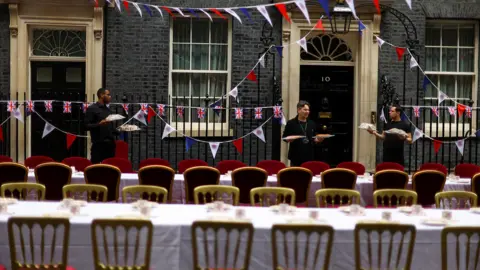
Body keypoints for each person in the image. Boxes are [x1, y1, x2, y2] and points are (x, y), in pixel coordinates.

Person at [282, 101, 323, 166]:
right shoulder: (291, 123)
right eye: (305, 110)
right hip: (295, 157)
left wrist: (317, 140)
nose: (307, 112)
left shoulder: (312, 123)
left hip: (309, 157)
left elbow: (314, 138)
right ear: (298, 110)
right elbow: (284, 137)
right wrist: (289, 139)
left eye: (308, 110)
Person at [86, 88, 118, 164]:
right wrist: (99, 124)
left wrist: (120, 129)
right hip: (98, 145)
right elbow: (86, 126)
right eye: (108, 95)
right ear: (101, 95)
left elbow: (110, 128)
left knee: (110, 169)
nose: (110, 96)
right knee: (96, 169)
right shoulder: (92, 108)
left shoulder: (108, 110)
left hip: (110, 145)